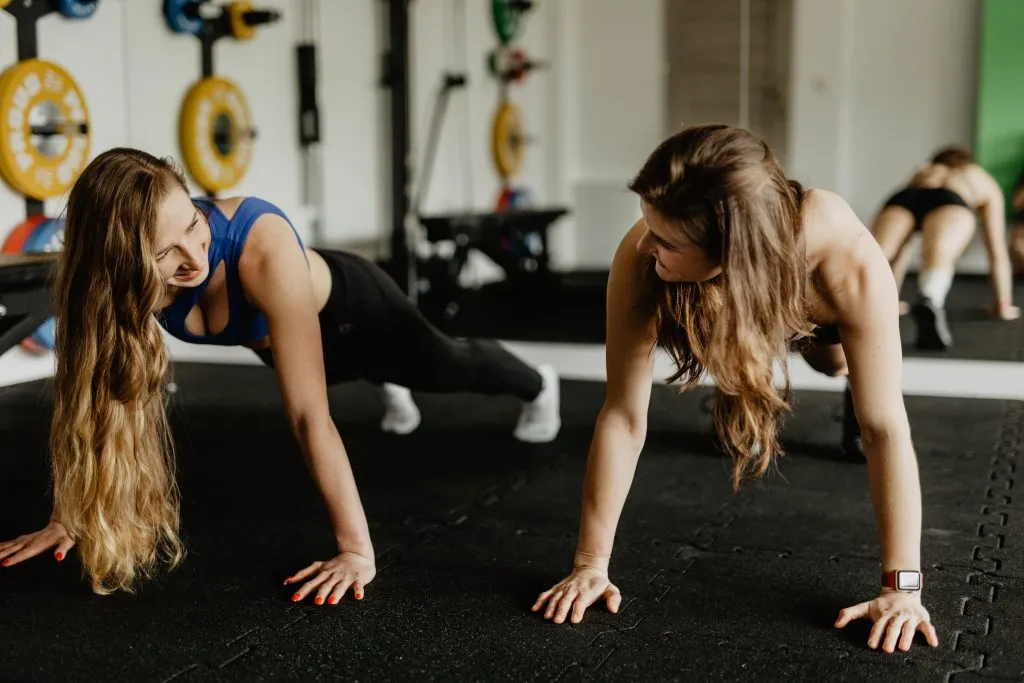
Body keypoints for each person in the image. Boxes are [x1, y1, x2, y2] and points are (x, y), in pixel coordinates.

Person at [0, 148, 561, 599]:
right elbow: (94, 395)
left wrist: (357, 552)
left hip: (358, 311)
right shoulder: (116, 281)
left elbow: (307, 415)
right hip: (280, 338)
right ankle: (382, 378)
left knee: (444, 366)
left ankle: (538, 383)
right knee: (331, 374)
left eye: (194, 224)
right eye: (166, 254)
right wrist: (69, 515)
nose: (193, 259)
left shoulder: (261, 248)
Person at [532, 124, 940, 654]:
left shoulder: (846, 260)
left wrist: (902, 588)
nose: (645, 242)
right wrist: (589, 564)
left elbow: (884, 428)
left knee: (835, 363)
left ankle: (814, 352)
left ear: (732, 252)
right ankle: (746, 355)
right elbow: (624, 416)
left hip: (818, 317)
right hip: (733, 299)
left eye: (669, 241)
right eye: (648, 225)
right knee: (732, 350)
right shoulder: (642, 254)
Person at [869, 146, 1019, 350]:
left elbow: (903, 248)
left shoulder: (925, 170)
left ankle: (842, 301)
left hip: (904, 197)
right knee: (938, 255)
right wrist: (1003, 304)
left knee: (876, 255)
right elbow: (996, 249)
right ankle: (930, 296)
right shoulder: (976, 175)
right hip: (950, 199)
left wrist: (891, 299)